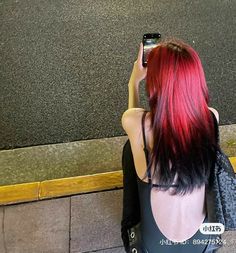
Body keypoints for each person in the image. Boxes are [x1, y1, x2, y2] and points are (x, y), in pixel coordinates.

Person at [121, 39, 223, 253]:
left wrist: (133, 83)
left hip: (150, 248)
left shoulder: (136, 123)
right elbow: (193, 104)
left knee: (130, 150)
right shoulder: (211, 118)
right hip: (203, 245)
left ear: (155, 85)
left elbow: (134, 121)